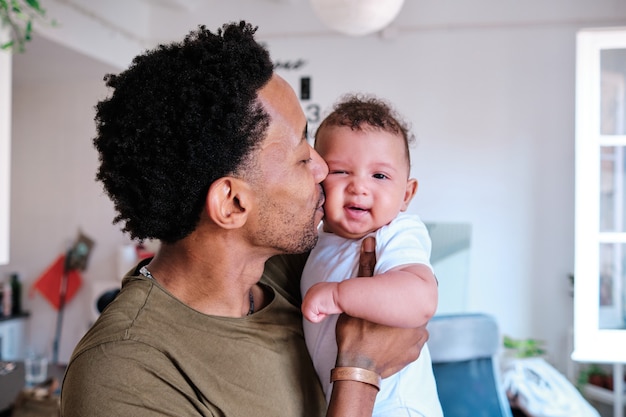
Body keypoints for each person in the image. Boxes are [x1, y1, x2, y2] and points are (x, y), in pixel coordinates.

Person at [59, 22, 429, 417]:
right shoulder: (124, 374)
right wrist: (359, 373)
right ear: (233, 203)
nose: (324, 169)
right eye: (303, 157)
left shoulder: (290, 267)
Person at [301, 94, 443, 417]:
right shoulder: (317, 241)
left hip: (398, 407)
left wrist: (339, 296)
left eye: (379, 176)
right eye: (340, 172)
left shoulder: (395, 232)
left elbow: (421, 298)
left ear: (406, 194)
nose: (359, 187)